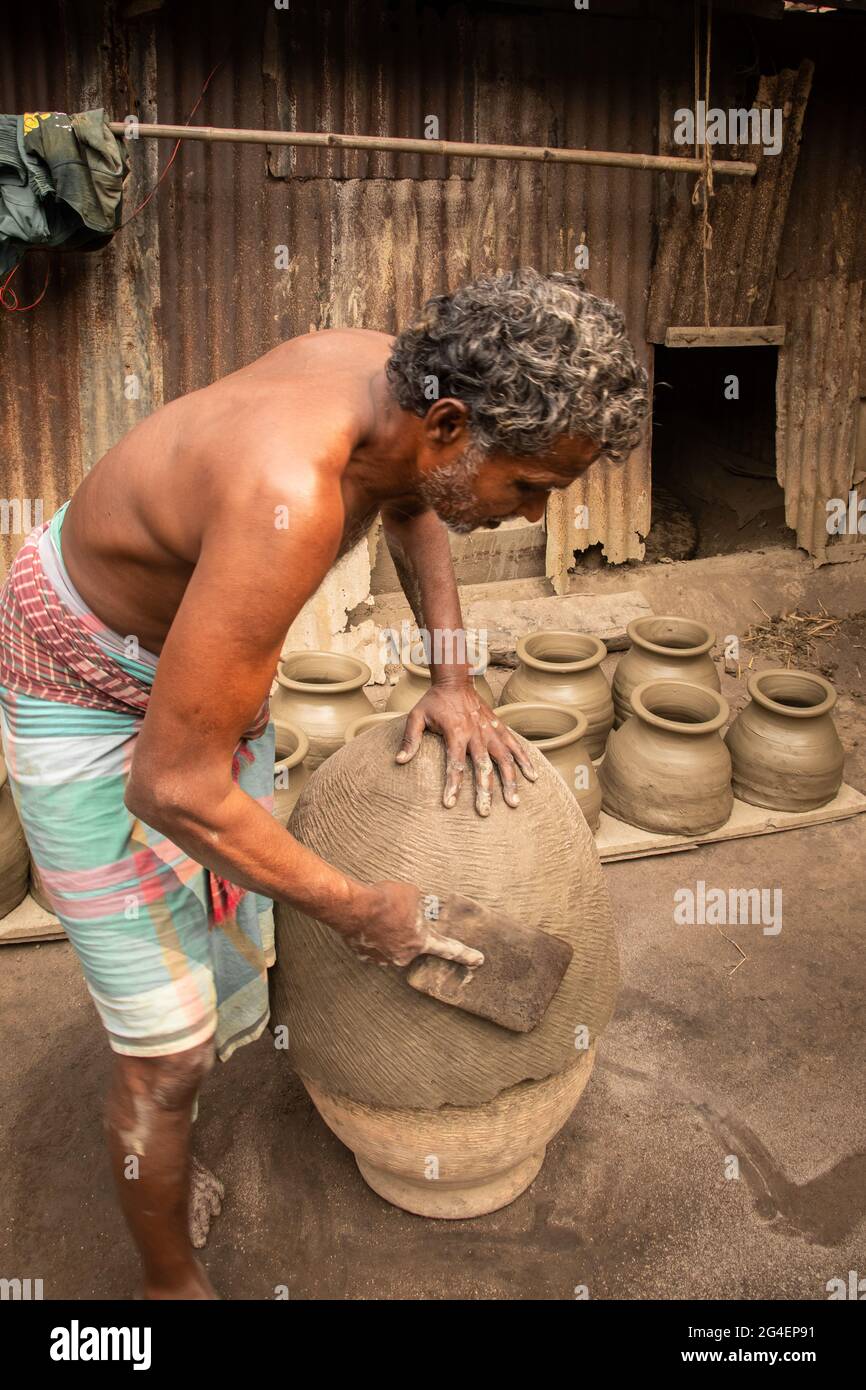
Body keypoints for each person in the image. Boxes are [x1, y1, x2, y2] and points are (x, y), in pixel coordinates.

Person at [0, 268, 647, 1297]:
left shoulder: (401, 398)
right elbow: (169, 786)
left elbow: (414, 502)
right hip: (79, 679)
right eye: (527, 488)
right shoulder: (287, 495)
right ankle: (168, 1278)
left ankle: (177, 1071)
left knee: (219, 951)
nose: (526, 514)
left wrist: (451, 674)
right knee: (165, 1049)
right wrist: (361, 909)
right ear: (446, 426)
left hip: (185, 659)